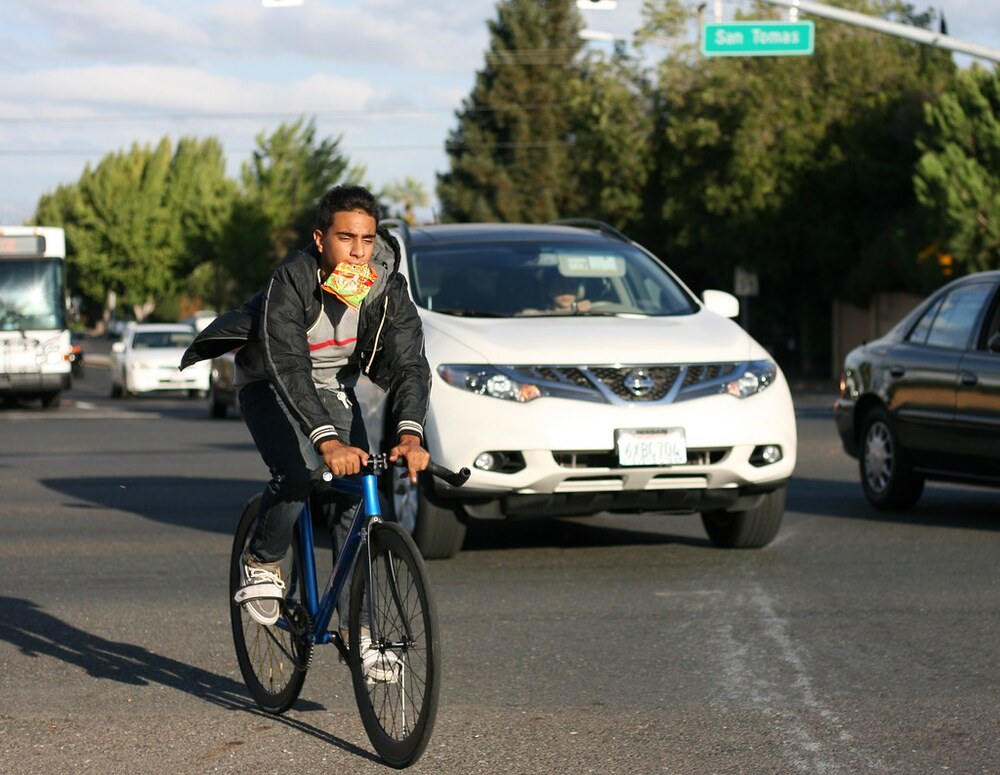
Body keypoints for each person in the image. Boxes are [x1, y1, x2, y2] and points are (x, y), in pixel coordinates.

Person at [181, 184, 431, 645]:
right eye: (346, 239)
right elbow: (289, 366)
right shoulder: (293, 279)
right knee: (300, 472)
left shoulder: (386, 286)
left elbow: (411, 362)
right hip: (269, 381)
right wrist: (327, 441)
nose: (358, 253)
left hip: (334, 388)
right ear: (321, 240)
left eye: (368, 240)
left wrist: (411, 434)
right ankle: (263, 558)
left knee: (357, 491)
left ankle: (360, 627)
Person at [520, 271, 592, 316]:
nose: (566, 291)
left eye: (572, 286)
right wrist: (572, 310)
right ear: (548, 290)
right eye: (560, 286)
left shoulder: (588, 311)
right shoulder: (533, 314)